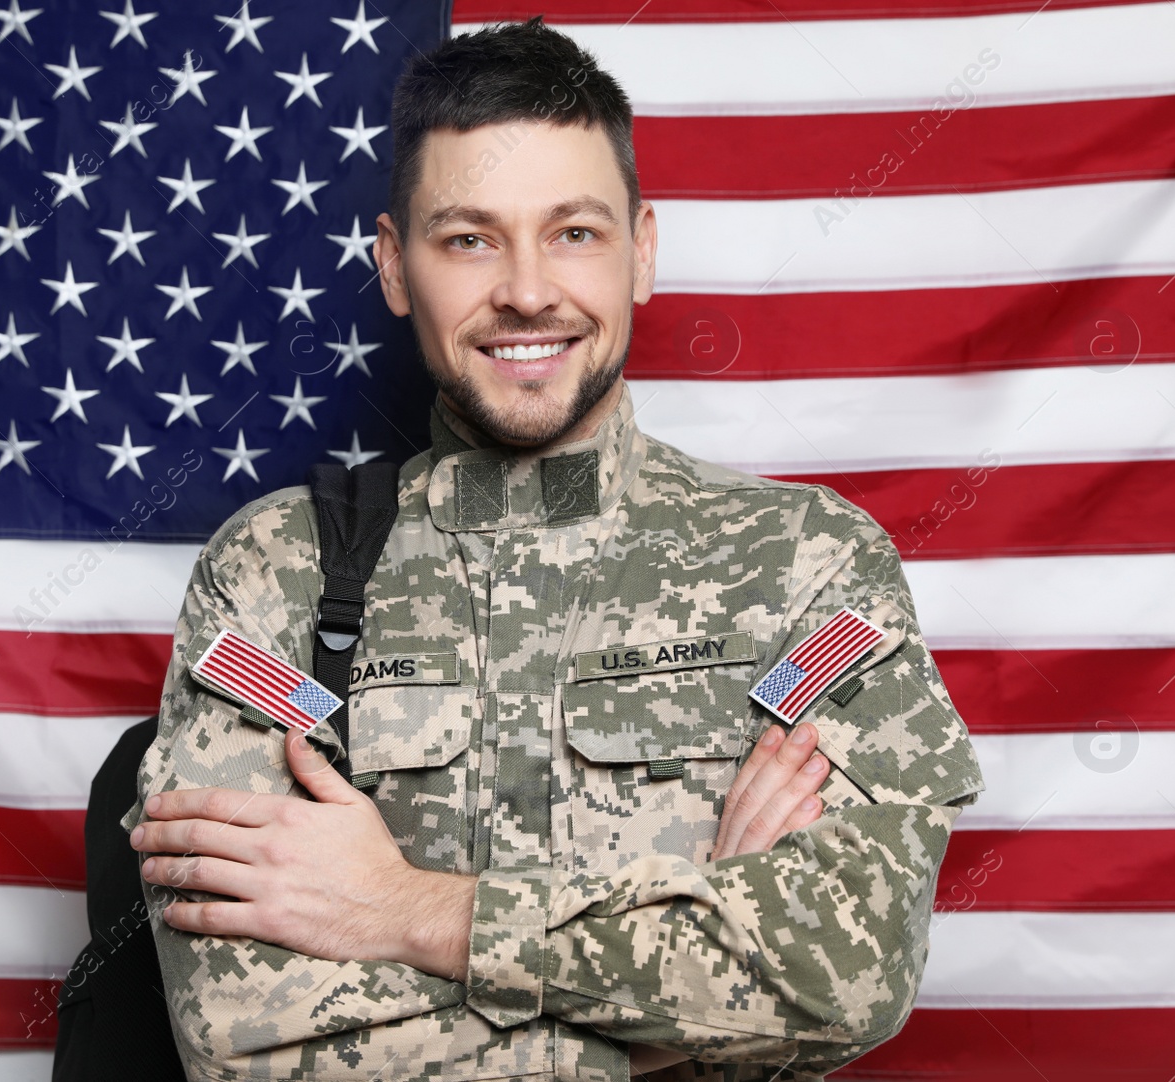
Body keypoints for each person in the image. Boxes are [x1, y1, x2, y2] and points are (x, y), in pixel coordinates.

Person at [125, 18, 984, 1081]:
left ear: (644, 251)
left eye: (573, 231)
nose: (527, 290)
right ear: (396, 267)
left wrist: (411, 910)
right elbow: (241, 1026)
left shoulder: (802, 564)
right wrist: (688, 988)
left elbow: (845, 969)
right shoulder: (275, 574)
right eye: (469, 238)